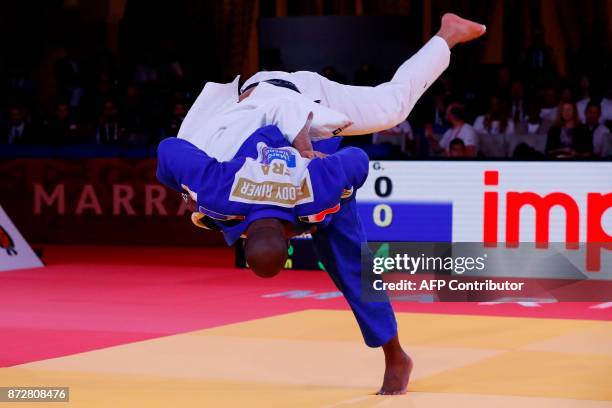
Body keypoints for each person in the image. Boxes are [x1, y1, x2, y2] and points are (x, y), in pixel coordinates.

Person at [162, 13, 486, 395]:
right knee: (331, 220)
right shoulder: (217, 187)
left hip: (303, 97)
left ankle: (447, 34)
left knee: (390, 115)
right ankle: (394, 351)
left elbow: (341, 151)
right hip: (245, 113)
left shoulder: (302, 185)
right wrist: (184, 188)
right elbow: (169, 150)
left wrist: (310, 155)